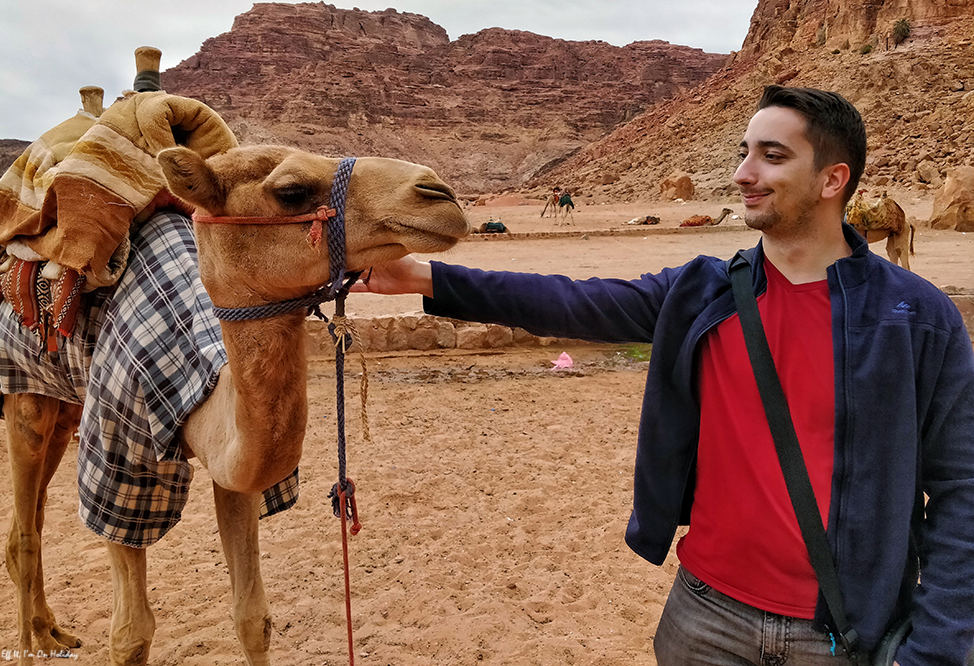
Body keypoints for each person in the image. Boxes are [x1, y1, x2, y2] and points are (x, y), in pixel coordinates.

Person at [353, 86, 974, 666]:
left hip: (843, 628)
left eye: (772, 156)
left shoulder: (915, 317)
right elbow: (577, 301)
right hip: (705, 616)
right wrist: (426, 278)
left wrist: (938, 649)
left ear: (832, 179)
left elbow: (962, 488)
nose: (743, 174)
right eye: (744, 153)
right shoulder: (703, 291)